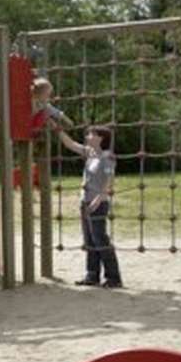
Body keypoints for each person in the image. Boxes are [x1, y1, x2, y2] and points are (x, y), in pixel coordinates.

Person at [53, 122, 123, 289]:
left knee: (100, 239)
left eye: (91, 134)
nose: (87, 137)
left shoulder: (107, 157)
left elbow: (109, 181)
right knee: (89, 240)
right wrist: (57, 128)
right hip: (85, 201)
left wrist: (98, 199)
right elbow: (69, 144)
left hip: (97, 203)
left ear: (101, 138)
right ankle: (92, 275)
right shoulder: (90, 152)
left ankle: (114, 277)